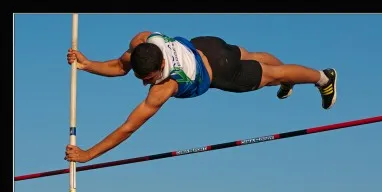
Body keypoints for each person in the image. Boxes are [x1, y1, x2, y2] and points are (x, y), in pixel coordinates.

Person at [64, 31, 337, 163]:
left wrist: (89, 154)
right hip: (208, 45)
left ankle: (323, 78)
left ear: (160, 69)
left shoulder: (165, 87)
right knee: (256, 58)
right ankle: (287, 80)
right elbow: (119, 66)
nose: (144, 83)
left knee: (273, 75)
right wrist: (87, 65)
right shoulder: (142, 42)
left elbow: (129, 127)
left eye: (147, 79)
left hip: (221, 71)